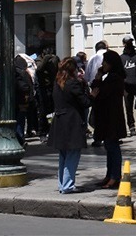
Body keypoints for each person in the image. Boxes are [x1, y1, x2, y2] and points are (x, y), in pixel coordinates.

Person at [48, 57, 91, 193]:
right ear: (73, 70)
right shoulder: (72, 83)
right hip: (72, 122)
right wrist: (90, 92)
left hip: (60, 121)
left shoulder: (57, 83)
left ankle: (62, 184)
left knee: (63, 155)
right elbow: (85, 102)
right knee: (73, 154)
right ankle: (67, 185)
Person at [89, 49, 128, 189]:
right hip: (106, 117)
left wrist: (98, 80)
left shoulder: (115, 78)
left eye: (105, 62)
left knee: (112, 146)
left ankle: (114, 176)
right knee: (109, 146)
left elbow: (100, 94)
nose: (103, 64)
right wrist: (99, 76)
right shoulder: (110, 77)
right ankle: (109, 174)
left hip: (112, 118)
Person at [122, 37, 136, 136]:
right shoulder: (121, 58)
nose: (130, 45)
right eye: (128, 43)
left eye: (130, 43)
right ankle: (131, 126)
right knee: (129, 108)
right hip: (126, 86)